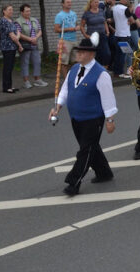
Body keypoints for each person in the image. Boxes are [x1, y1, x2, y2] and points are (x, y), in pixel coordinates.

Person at [49, 37, 117, 196]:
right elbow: (65, 90)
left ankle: (74, 182)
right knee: (91, 147)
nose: (78, 54)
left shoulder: (101, 74)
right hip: (76, 118)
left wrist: (110, 120)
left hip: (93, 119)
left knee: (85, 151)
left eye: (81, 52)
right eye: (78, 51)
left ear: (91, 54)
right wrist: (57, 107)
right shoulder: (74, 69)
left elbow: (108, 99)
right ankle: (104, 172)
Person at [15, 4, 47, 89]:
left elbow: (40, 30)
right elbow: (19, 34)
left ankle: (37, 80)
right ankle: (26, 82)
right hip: (25, 45)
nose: (29, 13)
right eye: (26, 11)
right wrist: (30, 39)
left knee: (37, 62)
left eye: (29, 11)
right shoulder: (18, 21)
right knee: (25, 63)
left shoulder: (34, 20)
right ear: (22, 12)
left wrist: (36, 38)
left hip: (34, 44)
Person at [80, 0, 111, 67]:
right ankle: (95, 71)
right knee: (96, 55)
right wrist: (85, 35)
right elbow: (82, 26)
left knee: (107, 54)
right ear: (91, 3)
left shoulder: (101, 11)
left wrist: (107, 31)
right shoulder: (87, 13)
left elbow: (104, 22)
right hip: (92, 37)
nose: (97, 4)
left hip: (102, 35)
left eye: (97, 2)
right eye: (95, 2)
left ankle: (104, 70)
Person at [0, 4, 24, 93]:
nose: (11, 11)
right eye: (9, 10)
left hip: (13, 47)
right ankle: (6, 87)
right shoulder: (3, 21)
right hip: (7, 47)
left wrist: (17, 37)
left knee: (10, 67)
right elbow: (11, 35)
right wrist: (20, 45)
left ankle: (10, 85)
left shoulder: (11, 20)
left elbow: (17, 32)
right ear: (4, 11)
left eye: (12, 10)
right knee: (7, 67)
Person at [112, 0, 134, 78]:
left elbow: (115, 20)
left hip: (117, 34)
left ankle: (116, 72)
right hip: (125, 35)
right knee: (123, 54)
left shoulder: (115, 8)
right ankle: (121, 72)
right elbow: (132, 21)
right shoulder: (125, 9)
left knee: (117, 54)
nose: (128, 0)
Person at [54, 0, 78, 73]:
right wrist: (69, 29)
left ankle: (72, 77)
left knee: (75, 61)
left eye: (70, 2)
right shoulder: (59, 15)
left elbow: (76, 24)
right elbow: (56, 29)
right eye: (67, 2)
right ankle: (65, 80)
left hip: (74, 39)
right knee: (64, 62)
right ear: (63, 4)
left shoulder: (74, 14)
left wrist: (78, 26)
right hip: (65, 40)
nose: (69, 3)